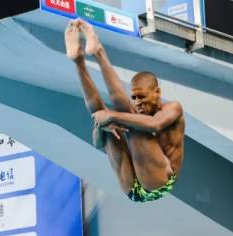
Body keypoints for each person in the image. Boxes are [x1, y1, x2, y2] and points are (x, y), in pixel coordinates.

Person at [65, 19, 185, 203]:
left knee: (127, 118)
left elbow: (155, 124)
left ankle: (99, 52)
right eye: (134, 97)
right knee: (104, 117)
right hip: (132, 189)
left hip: (159, 183)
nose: (138, 102)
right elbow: (98, 143)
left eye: (142, 97)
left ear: (157, 93)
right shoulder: (135, 114)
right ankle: (78, 61)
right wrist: (101, 127)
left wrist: (111, 115)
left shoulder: (173, 108)